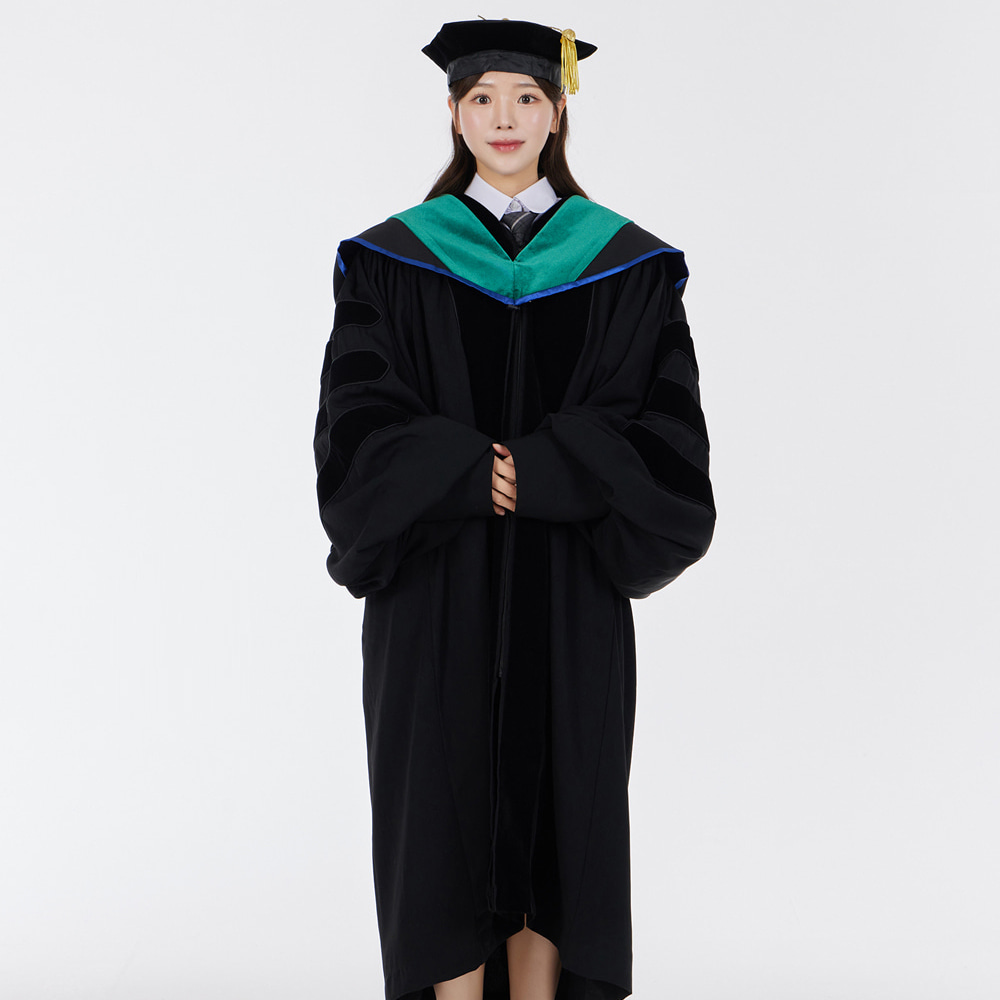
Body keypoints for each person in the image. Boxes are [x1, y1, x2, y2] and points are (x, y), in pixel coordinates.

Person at [313, 18, 716, 1000]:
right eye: (483, 98)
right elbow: (355, 434)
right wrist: (469, 471)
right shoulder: (388, 262)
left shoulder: (628, 266)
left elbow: (668, 445)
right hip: (432, 593)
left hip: (569, 594)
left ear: (558, 113)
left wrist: (540, 472)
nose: (505, 118)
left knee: (560, 815)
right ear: (453, 113)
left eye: (527, 97)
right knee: (436, 818)